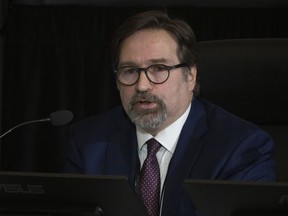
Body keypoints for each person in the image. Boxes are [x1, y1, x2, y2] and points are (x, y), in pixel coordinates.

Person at [64, 10, 275, 216]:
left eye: (158, 68)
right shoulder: (87, 142)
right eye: (130, 71)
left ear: (190, 76)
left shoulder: (242, 148)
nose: (142, 86)